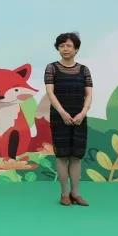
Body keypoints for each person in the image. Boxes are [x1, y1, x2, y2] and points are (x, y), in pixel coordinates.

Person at [45, 32, 93, 206]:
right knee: (62, 155)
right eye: (62, 46)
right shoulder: (51, 68)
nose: (65, 49)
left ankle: (76, 193)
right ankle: (64, 193)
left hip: (79, 117)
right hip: (59, 117)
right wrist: (62, 113)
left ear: (76, 49)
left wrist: (83, 113)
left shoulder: (84, 70)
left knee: (76, 156)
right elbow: (50, 93)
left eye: (69, 46)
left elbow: (89, 94)